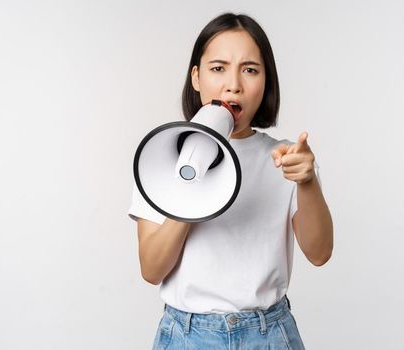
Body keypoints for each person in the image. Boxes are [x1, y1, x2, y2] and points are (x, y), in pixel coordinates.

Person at [128, 12, 333, 349]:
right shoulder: (161, 157)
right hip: (186, 335)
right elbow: (152, 269)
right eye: (218, 68)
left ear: (266, 81)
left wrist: (307, 183)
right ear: (196, 77)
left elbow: (320, 253)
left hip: (267, 334)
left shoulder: (286, 158)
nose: (233, 84)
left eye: (250, 70)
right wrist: (193, 188)